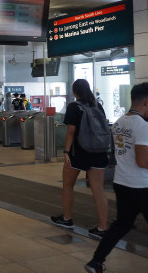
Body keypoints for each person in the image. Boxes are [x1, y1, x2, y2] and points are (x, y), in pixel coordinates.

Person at [84, 82, 148, 273]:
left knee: (122, 224)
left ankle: (96, 261)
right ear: (146, 102)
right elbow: (143, 161)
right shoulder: (142, 126)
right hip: (142, 186)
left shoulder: (120, 122)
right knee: (122, 224)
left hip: (122, 182)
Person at [51, 79, 109, 239]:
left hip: (79, 152)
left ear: (74, 91)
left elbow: (70, 132)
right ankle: (102, 228)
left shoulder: (74, 107)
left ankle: (67, 218)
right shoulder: (98, 105)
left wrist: (66, 152)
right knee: (98, 190)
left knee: (68, 185)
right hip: (98, 151)